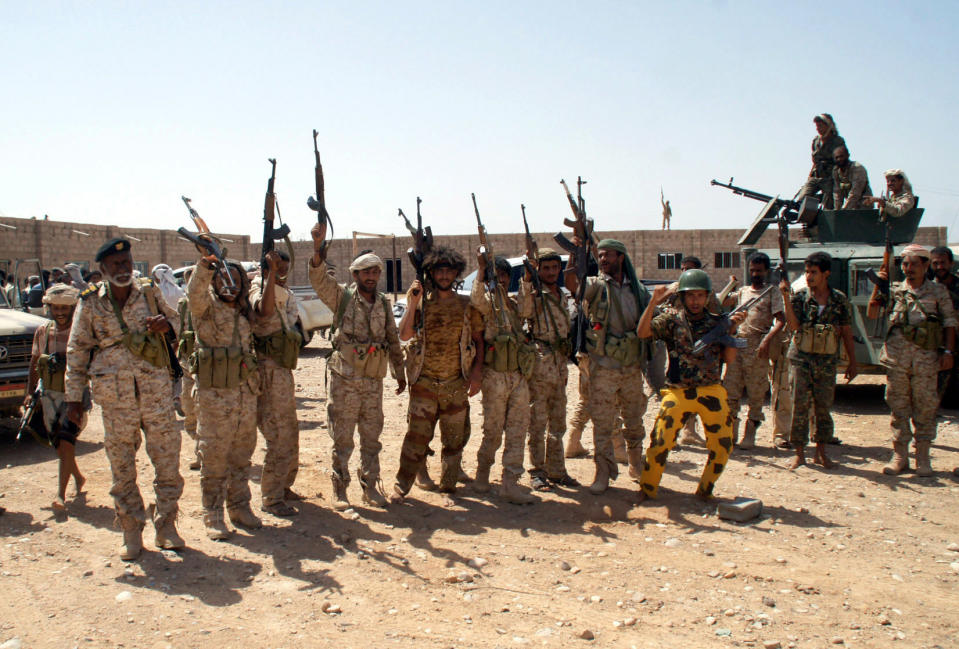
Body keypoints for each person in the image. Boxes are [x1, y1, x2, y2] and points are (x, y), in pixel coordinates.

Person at [65, 238, 184, 560]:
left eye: (128, 262)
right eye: (116, 265)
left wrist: (166, 325)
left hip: (156, 393)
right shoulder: (90, 303)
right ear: (102, 270)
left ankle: (167, 525)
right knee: (121, 467)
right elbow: (77, 351)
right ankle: (131, 530)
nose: (124, 268)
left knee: (168, 461)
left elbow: (178, 321)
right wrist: (73, 399)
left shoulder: (148, 292)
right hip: (116, 400)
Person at [309, 224, 404, 510]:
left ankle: (370, 488)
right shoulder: (343, 298)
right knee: (342, 436)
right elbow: (318, 280)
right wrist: (317, 249)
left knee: (372, 437)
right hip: (345, 380)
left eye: (375, 272)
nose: (372, 277)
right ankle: (340, 489)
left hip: (373, 381)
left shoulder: (384, 304)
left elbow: (392, 339)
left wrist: (400, 373)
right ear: (355, 275)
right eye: (366, 272)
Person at [635, 269, 745, 502]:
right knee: (660, 440)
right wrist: (655, 301)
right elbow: (643, 332)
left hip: (711, 389)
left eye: (700, 295)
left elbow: (730, 359)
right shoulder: (671, 320)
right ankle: (647, 489)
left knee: (723, 444)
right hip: (678, 390)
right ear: (683, 297)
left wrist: (732, 330)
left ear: (707, 297)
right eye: (690, 295)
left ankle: (705, 490)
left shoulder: (719, 321)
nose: (695, 301)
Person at [391, 246, 484, 503]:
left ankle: (448, 487)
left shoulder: (467, 305)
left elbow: (479, 341)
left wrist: (476, 375)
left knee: (454, 440)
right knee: (416, 438)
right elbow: (405, 334)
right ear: (431, 273)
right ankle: (402, 486)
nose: (444, 275)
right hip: (424, 383)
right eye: (439, 271)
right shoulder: (422, 303)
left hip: (456, 382)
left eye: (449, 270)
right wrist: (413, 302)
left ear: (456, 273)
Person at [564, 239, 649, 494]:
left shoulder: (637, 289)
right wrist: (574, 253)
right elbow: (572, 286)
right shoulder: (596, 285)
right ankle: (602, 472)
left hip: (631, 366)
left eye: (608, 256)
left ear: (621, 257)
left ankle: (635, 464)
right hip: (603, 365)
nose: (602, 260)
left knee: (633, 420)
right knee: (602, 423)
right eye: (600, 256)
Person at [188, 252, 263, 539]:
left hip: (244, 393)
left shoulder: (245, 313)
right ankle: (213, 512)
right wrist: (205, 266)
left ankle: (239, 507)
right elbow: (195, 292)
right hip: (215, 397)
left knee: (242, 453)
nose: (228, 285)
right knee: (215, 455)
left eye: (234, 281)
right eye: (222, 280)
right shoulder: (206, 308)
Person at [869, 245, 956, 476]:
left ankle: (923, 458)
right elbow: (872, 313)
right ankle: (899, 456)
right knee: (899, 408)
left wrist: (948, 353)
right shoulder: (895, 290)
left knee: (925, 408)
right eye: (905, 264)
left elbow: (949, 323)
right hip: (897, 361)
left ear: (926, 266)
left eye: (914, 264)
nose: (908, 269)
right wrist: (878, 286)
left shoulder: (937, 293)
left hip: (926, 361)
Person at [779, 252, 858, 470]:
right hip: (801, 358)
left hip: (826, 360)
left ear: (826, 273)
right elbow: (794, 327)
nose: (809, 276)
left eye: (813, 272)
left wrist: (852, 361)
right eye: (806, 272)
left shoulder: (839, 299)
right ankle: (800, 453)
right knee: (799, 405)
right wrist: (786, 298)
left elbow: (846, 330)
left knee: (823, 406)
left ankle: (821, 452)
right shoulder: (800, 297)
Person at [471, 253, 536, 504]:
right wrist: (480, 268)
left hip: (518, 375)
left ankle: (510, 481)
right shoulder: (487, 303)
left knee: (518, 428)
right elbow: (476, 299)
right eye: (495, 276)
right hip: (495, 375)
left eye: (504, 276)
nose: (500, 280)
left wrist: (527, 280)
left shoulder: (512, 304)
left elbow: (527, 309)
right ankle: (483, 473)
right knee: (493, 429)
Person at [250, 250, 304, 516]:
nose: (281, 271)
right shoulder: (257, 290)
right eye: (275, 266)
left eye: (284, 266)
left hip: (283, 371)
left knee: (291, 432)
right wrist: (270, 276)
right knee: (277, 435)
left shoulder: (287, 292)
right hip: (267, 372)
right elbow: (264, 312)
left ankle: (284, 486)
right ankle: (271, 497)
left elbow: (291, 319)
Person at [25, 284, 89, 510]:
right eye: (56, 307)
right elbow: (34, 363)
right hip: (49, 395)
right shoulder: (44, 331)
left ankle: (60, 495)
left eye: (65, 308)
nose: (60, 312)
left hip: (74, 395)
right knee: (59, 444)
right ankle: (79, 478)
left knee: (65, 437)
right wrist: (29, 392)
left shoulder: (80, 331)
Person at [522, 248, 579, 490]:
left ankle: (557, 470)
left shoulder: (561, 294)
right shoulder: (534, 295)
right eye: (546, 268)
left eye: (555, 268)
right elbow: (523, 311)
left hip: (559, 363)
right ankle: (537, 471)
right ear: (538, 270)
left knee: (558, 421)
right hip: (541, 361)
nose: (551, 272)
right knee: (537, 420)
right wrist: (526, 279)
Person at [722, 253, 785, 449]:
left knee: (756, 394)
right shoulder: (742, 292)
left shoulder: (772, 292)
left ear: (766, 271)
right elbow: (721, 303)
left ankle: (749, 435)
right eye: (752, 270)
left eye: (759, 270)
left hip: (758, 348)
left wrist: (767, 341)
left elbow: (781, 320)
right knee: (730, 391)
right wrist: (730, 286)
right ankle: (730, 433)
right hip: (738, 346)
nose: (755, 274)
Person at [175, 267, 201, 471]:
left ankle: (203, 455)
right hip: (187, 364)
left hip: (205, 368)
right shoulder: (183, 305)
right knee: (188, 408)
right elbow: (178, 331)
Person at [798, 114, 845, 209]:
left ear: (829, 126)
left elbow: (842, 161)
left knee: (830, 205)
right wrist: (810, 176)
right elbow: (815, 162)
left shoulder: (837, 141)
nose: (817, 128)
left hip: (830, 178)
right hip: (816, 176)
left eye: (820, 126)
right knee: (802, 200)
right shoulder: (816, 141)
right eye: (816, 126)